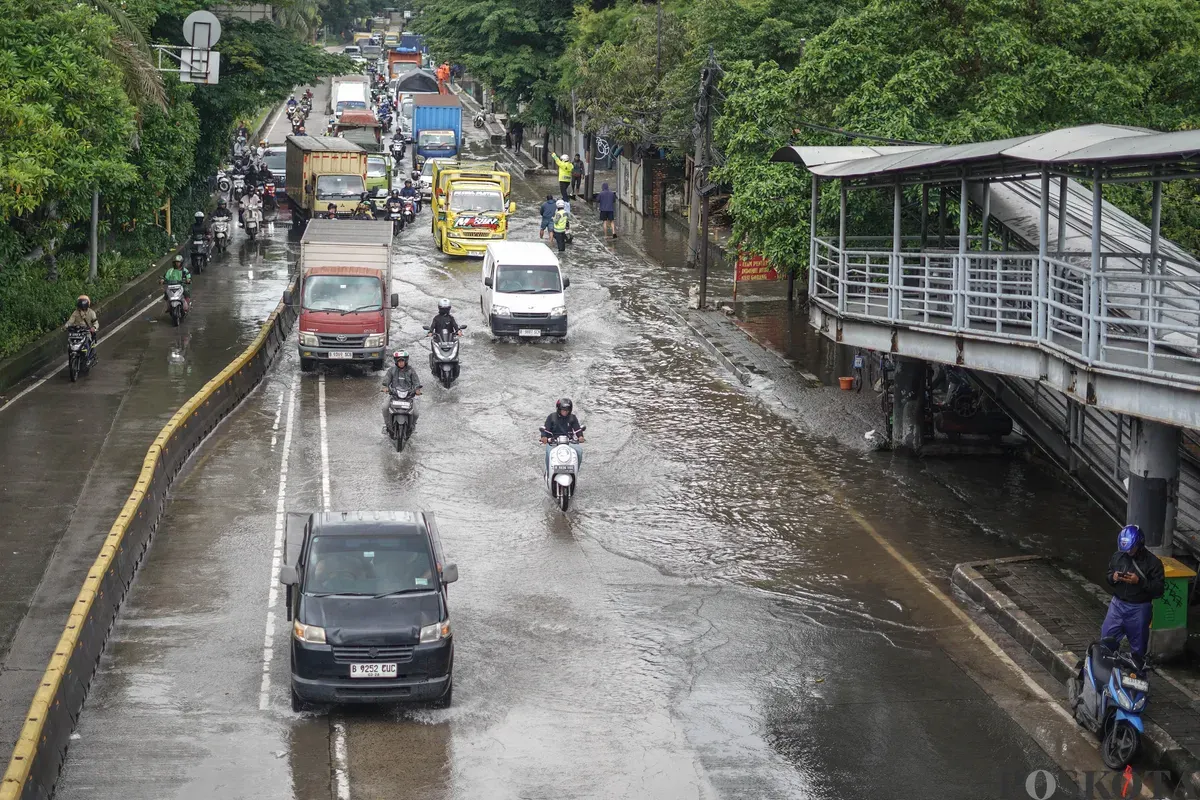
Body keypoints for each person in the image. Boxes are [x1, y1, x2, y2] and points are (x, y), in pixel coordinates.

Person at [1100, 524, 1165, 662]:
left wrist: (1139, 582)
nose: (1129, 552)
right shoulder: (1118, 556)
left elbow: (1159, 590)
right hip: (1117, 605)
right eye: (1126, 550)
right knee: (1106, 641)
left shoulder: (1153, 563)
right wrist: (1114, 577)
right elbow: (1108, 575)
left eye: (1132, 549)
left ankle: (1138, 675)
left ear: (1140, 544)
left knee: (1138, 649)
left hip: (1139, 609)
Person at [540, 397, 585, 476]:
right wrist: (544, 437)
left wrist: (580, 436)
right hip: (553, 442)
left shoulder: (572, 418)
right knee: (549, 453)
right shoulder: (551, 417)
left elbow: (577, 429)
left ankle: (575, 472)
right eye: (563, 410)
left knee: (579, 451)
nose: (565, 412)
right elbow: (545, 430)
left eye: (567, 410)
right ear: (559, 409)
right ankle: (548, 473)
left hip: (569, 441)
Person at [381, 349, 422, 433]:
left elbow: (416, 382)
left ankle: (412, 427)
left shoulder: (411, 370)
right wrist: (385, 387)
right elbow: (386, 380)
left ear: (406, 361)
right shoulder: (391, 370)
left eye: (402, 361)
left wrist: (417, 389)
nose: (401, 363)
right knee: (385, 407)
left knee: (416, 413)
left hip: (408, 396)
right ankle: (387, 425)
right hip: (394, 395)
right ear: (396, 361)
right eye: (399, 361)